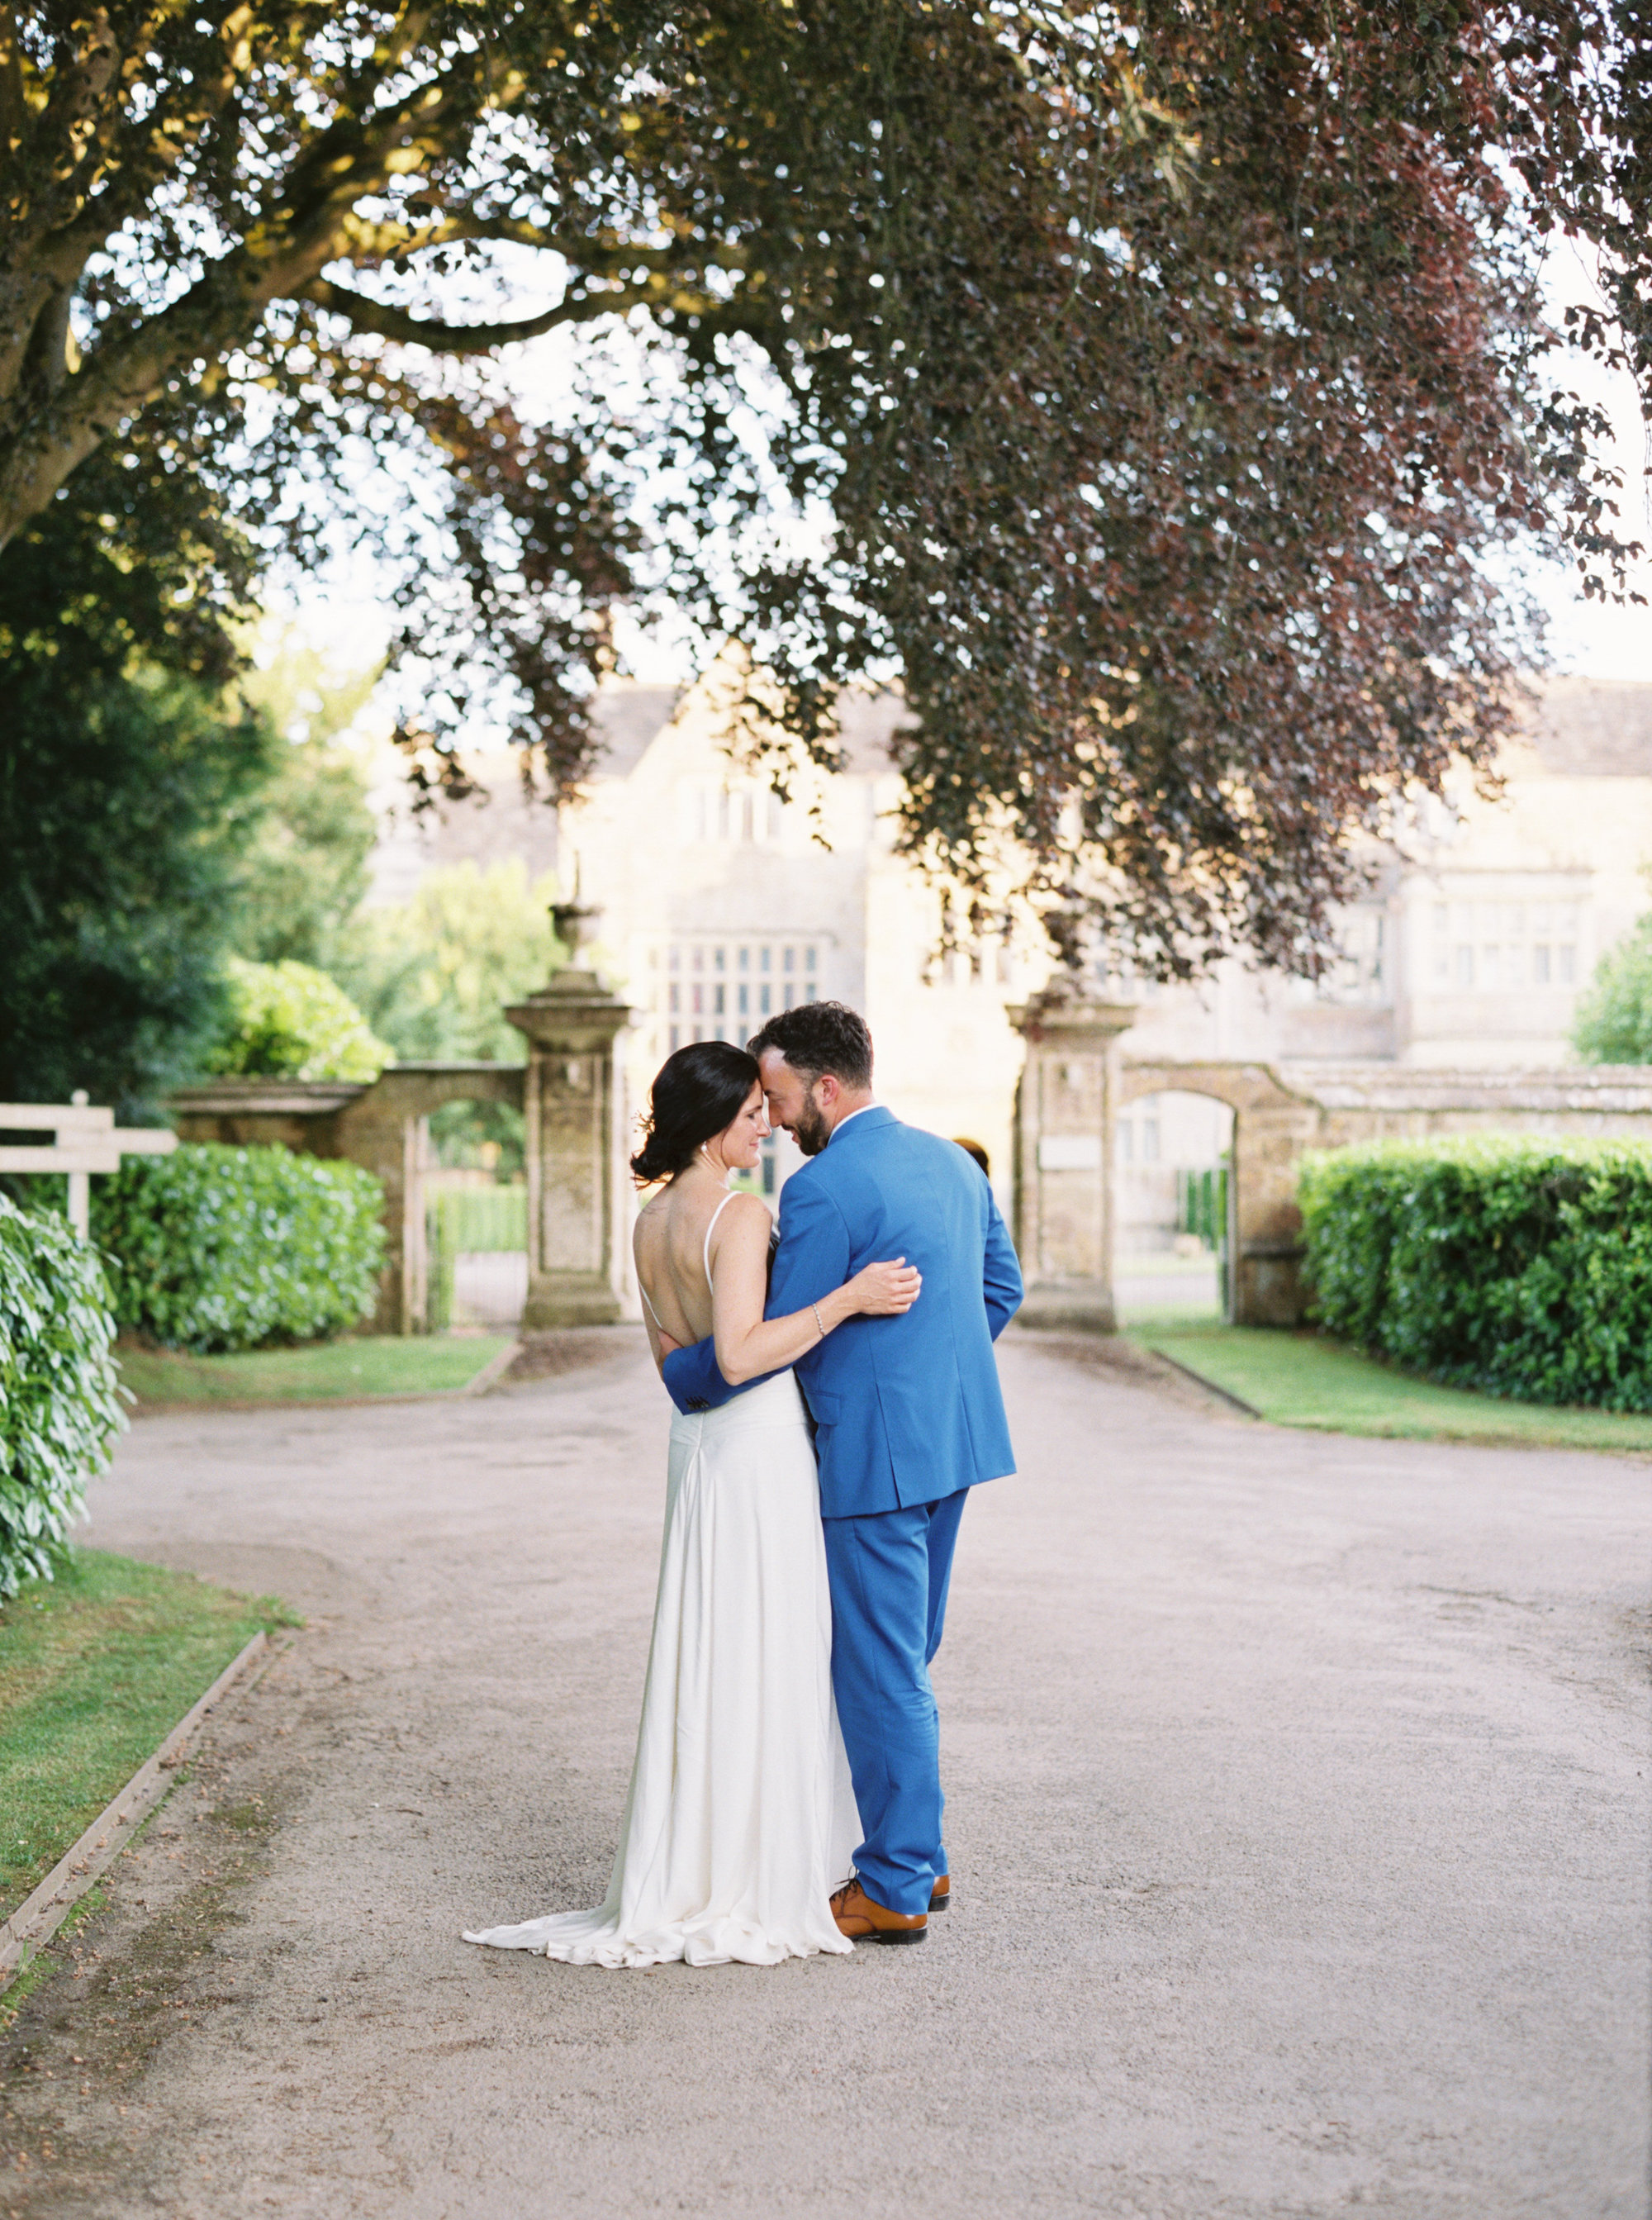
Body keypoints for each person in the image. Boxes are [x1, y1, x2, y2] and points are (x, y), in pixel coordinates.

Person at [463, 1040, 920, 1970]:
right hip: (753, 1448)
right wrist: (849, 1298)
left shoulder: (646, 1222)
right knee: (768, 1642)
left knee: (714, 1642)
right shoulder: (739, 1214)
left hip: (698, 1447)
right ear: (713, 1121)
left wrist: (713, 1364)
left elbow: (676, 1365)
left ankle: (698, 1850)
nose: (769, 1124)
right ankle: (752, 1867)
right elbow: (745, 1354)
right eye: (753, 1111)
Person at [661, 1002, 1023, 1943]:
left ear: (824, 1086)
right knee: (904, 1654)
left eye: (776, 1096)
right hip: (955, 1445)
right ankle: (924, 1853)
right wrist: (926, 1381)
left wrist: (682, 1370)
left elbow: (772, 1341)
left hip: (871, 1455)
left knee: (879, 1665)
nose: (773, 1119)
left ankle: (896, 1880)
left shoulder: (820, 1191)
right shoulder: (953, 1160)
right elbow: (1000, 1289)